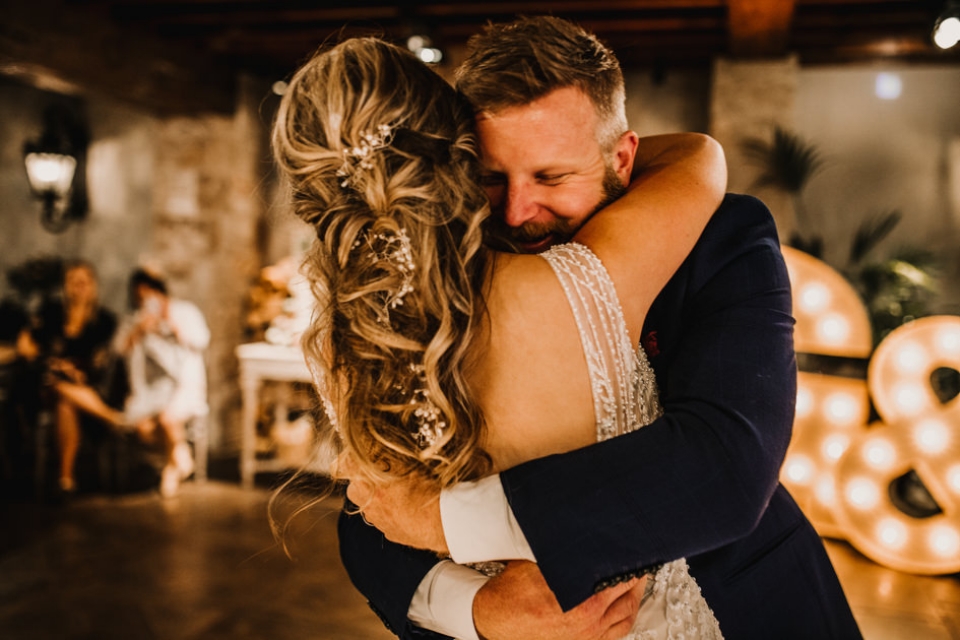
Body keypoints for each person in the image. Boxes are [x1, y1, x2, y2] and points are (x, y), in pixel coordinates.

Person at [333, 16, 862, 640]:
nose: (516, 212)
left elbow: (729, 466)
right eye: (491, 177)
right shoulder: (433, 271)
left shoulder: (725, 237)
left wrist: (447, 520)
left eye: (551, 178)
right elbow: (370, 503)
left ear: (623, 158)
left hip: (742, 607)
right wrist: (473, 610)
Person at [30, 260, 123, 495]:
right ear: (65, 286)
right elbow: (34, 349)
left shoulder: (104, 321)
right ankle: (112, 418)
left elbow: (102, 363)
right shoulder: (51, 315)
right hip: (48, 388)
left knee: (65, 402)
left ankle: (66, 478)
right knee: (55, 384)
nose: (80, 286)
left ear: (93, 286)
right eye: (74, 281)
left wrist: (76, 372)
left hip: (86, 389)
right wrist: (57, 364)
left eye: (85, 281)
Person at [115, 267, 209, 497]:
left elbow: (201, 340)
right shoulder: (137, 318)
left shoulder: (185, 311)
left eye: (149, 296)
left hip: (186, 383)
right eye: (140, 298)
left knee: (168, 418)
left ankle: (171, 469)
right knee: (143, 428)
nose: (145, 303)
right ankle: (179, 454)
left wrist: (172, 325)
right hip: (155, 387)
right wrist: (140, 330)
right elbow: (121, 351)